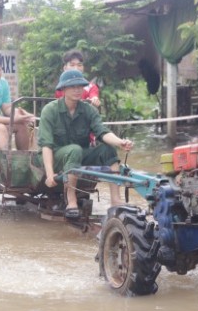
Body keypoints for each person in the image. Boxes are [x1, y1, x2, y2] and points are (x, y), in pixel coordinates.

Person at [39, 69, 133, 218]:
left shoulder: (88, 110)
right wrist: (50, 174)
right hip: (57, 158)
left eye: (80, 86)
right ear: (63, 89)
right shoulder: (50, 110)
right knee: (74, 150)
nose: (77, 90)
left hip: (79, 155)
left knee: (107, 150)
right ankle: (71, 199)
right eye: (72, 86)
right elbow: (46, 145)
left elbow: (102, 131)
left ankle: (115, 199)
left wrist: (120, 142)